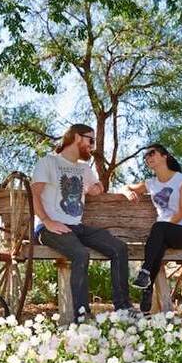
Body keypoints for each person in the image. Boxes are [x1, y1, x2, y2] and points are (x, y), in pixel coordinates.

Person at [31, 124, 134, 320]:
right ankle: (82, 315)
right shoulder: (48, 162)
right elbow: (33, 194)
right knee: (81, 254)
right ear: (77, 137)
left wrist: (104, 188)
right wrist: (47, 221)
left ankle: (123, 309)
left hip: (77, 227)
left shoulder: (83, 168)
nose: (92, 146)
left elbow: (95, 188)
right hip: (49, 228)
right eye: (90, 140)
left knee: (119, 248)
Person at [121, 143, 182, 313]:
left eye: (152, 153)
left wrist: (165, 226)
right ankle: (147, 288)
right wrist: (127, 192)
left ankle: (145, 272)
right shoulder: (151, 183)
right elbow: (127, 187)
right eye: (145, 156)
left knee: (159, 229)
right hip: (160, 235)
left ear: (164, 156)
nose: (148, 158)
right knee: (157, 242)